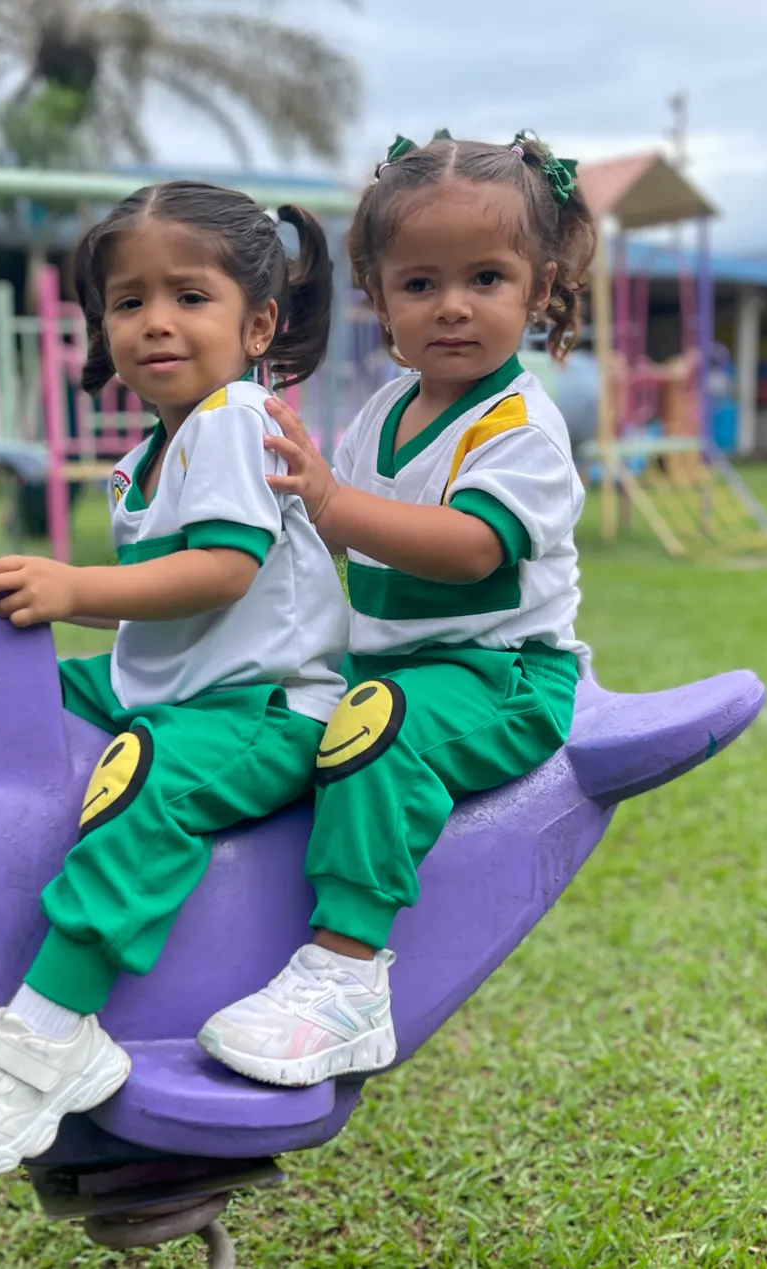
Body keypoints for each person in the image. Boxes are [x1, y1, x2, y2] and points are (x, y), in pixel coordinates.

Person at [0, 181, 348, 1175]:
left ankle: (51, 1030)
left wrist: (72, 585)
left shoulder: (237, 417)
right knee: (36, 693)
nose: (155, 322)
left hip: (270, 703)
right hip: (180, 682)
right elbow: (166, 602)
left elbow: (222, 573)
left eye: (189, 297)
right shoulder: (153, 451)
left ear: (259, 323)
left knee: (149, 785)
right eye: (127, 302)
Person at [197, 131, 595, 1088]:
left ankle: (343, 977)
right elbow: (340, 533)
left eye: (487, 279)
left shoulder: (519, 429)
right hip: (388, 662)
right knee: (263, 709)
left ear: (538, 290)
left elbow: (470, 548)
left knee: (381, 732)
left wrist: (331, 501)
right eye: (420, 284)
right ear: (379, 296)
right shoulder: (385, 412)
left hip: (500, 677)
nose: (452, 306)